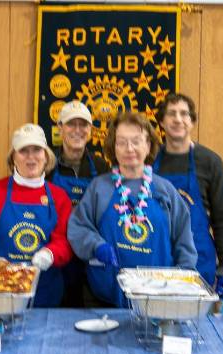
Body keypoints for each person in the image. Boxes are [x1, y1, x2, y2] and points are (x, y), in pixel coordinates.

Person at [68, 112, 197, 308]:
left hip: (157, 299)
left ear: (148, 145)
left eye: (136, 141)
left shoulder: (165, 190)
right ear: (113, 147)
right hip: (105, 298)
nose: (129, 149)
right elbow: (78, 227)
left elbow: (184, 241)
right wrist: (96, 245)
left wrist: (180, 283)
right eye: (122, 142)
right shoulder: (99, 188)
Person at [0, 123, 73, 307]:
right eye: (24, 151)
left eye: (37, 150)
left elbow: (65, 240)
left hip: (45, 291)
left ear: (46, 157)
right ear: (13, 157)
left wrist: (50, 253)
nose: (31, 157)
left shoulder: (59, 197)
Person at [153, 93, 223, 314]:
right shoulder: (149, 160)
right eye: (171, 113)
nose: (178, 119)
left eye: (184, 114)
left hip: (199, 262)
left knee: (199, 330)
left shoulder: (210, 162)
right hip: (157, 261)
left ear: (192, 121)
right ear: (161, 121)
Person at [47, 100, 108, 307]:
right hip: (55, 250)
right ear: (60, 128)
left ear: (91, 130)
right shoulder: (46, 165)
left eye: (83, 125)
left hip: (89, 254)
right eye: (71, 124)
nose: (78, 130)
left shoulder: (101, 166)